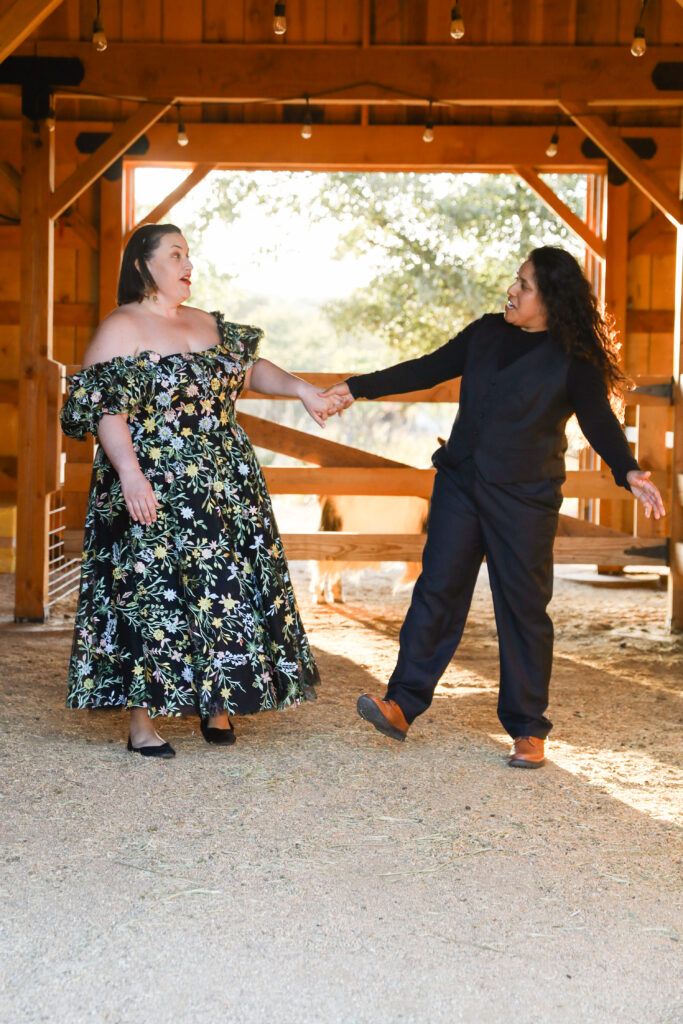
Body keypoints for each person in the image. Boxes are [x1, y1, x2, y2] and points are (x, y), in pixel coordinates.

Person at [323, 246, 665, 768]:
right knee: (436, 591)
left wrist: (629, 470)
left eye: (525, 285)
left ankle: (528, 729)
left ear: (550, 300)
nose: (513, 290)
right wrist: (356, 388)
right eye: (516, 280)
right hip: (461, 485)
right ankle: (400, 703)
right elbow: (427, 368)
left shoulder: (574, 360)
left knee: (522, 609)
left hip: (525, 498)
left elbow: (598, 421)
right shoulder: (485, 333)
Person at [61, 224, 339, 758]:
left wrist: (303, 389)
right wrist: (130, 474)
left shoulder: (207, 322)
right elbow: (104, 411)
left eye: (189, 254)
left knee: (223, 590)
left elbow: (250, 370)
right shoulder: (122, 327)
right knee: (147, 595)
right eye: (176, 254)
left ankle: (218, 703)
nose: (189, 264)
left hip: (223, 482)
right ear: (144, 265)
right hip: (150, 481)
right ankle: (142, 722)